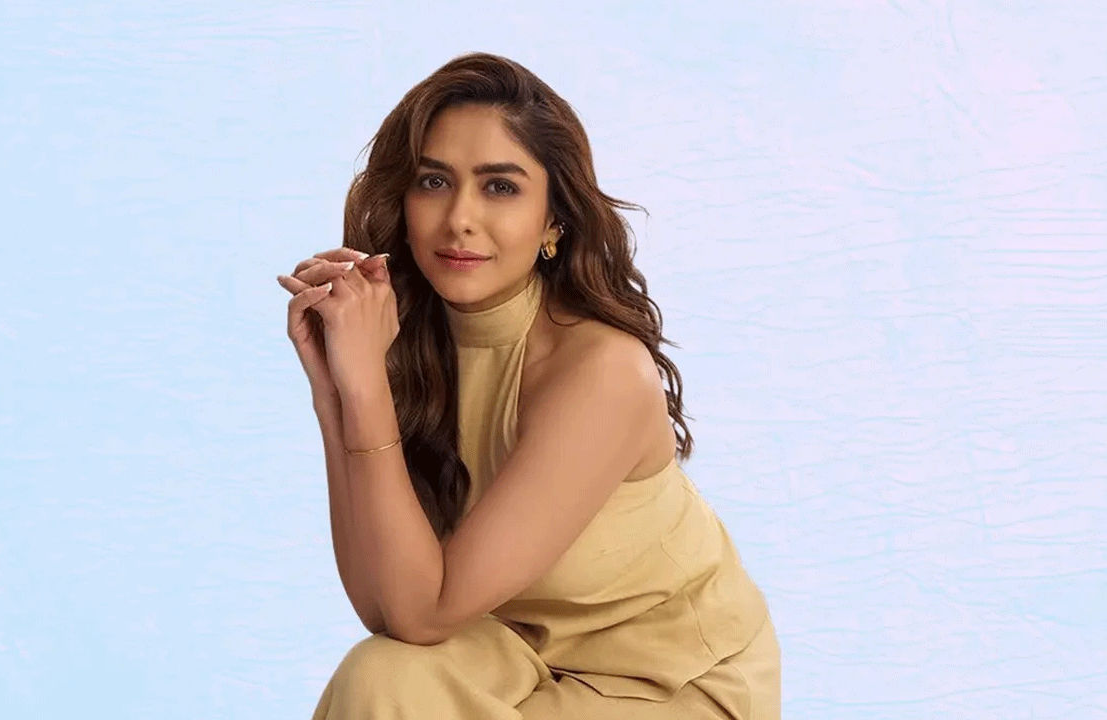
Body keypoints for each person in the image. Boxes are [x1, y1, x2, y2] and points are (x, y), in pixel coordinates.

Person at [276, 51, 780, 719]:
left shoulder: (600, 371)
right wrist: (333, 391)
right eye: (434, 181)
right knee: (381, 674)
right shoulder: (408, 342)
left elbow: (423, 613)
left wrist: (363, 388)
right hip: (518, 653)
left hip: (668, 681)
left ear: (553, 220)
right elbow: (386, 608)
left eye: (500, 187)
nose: (459, 217)